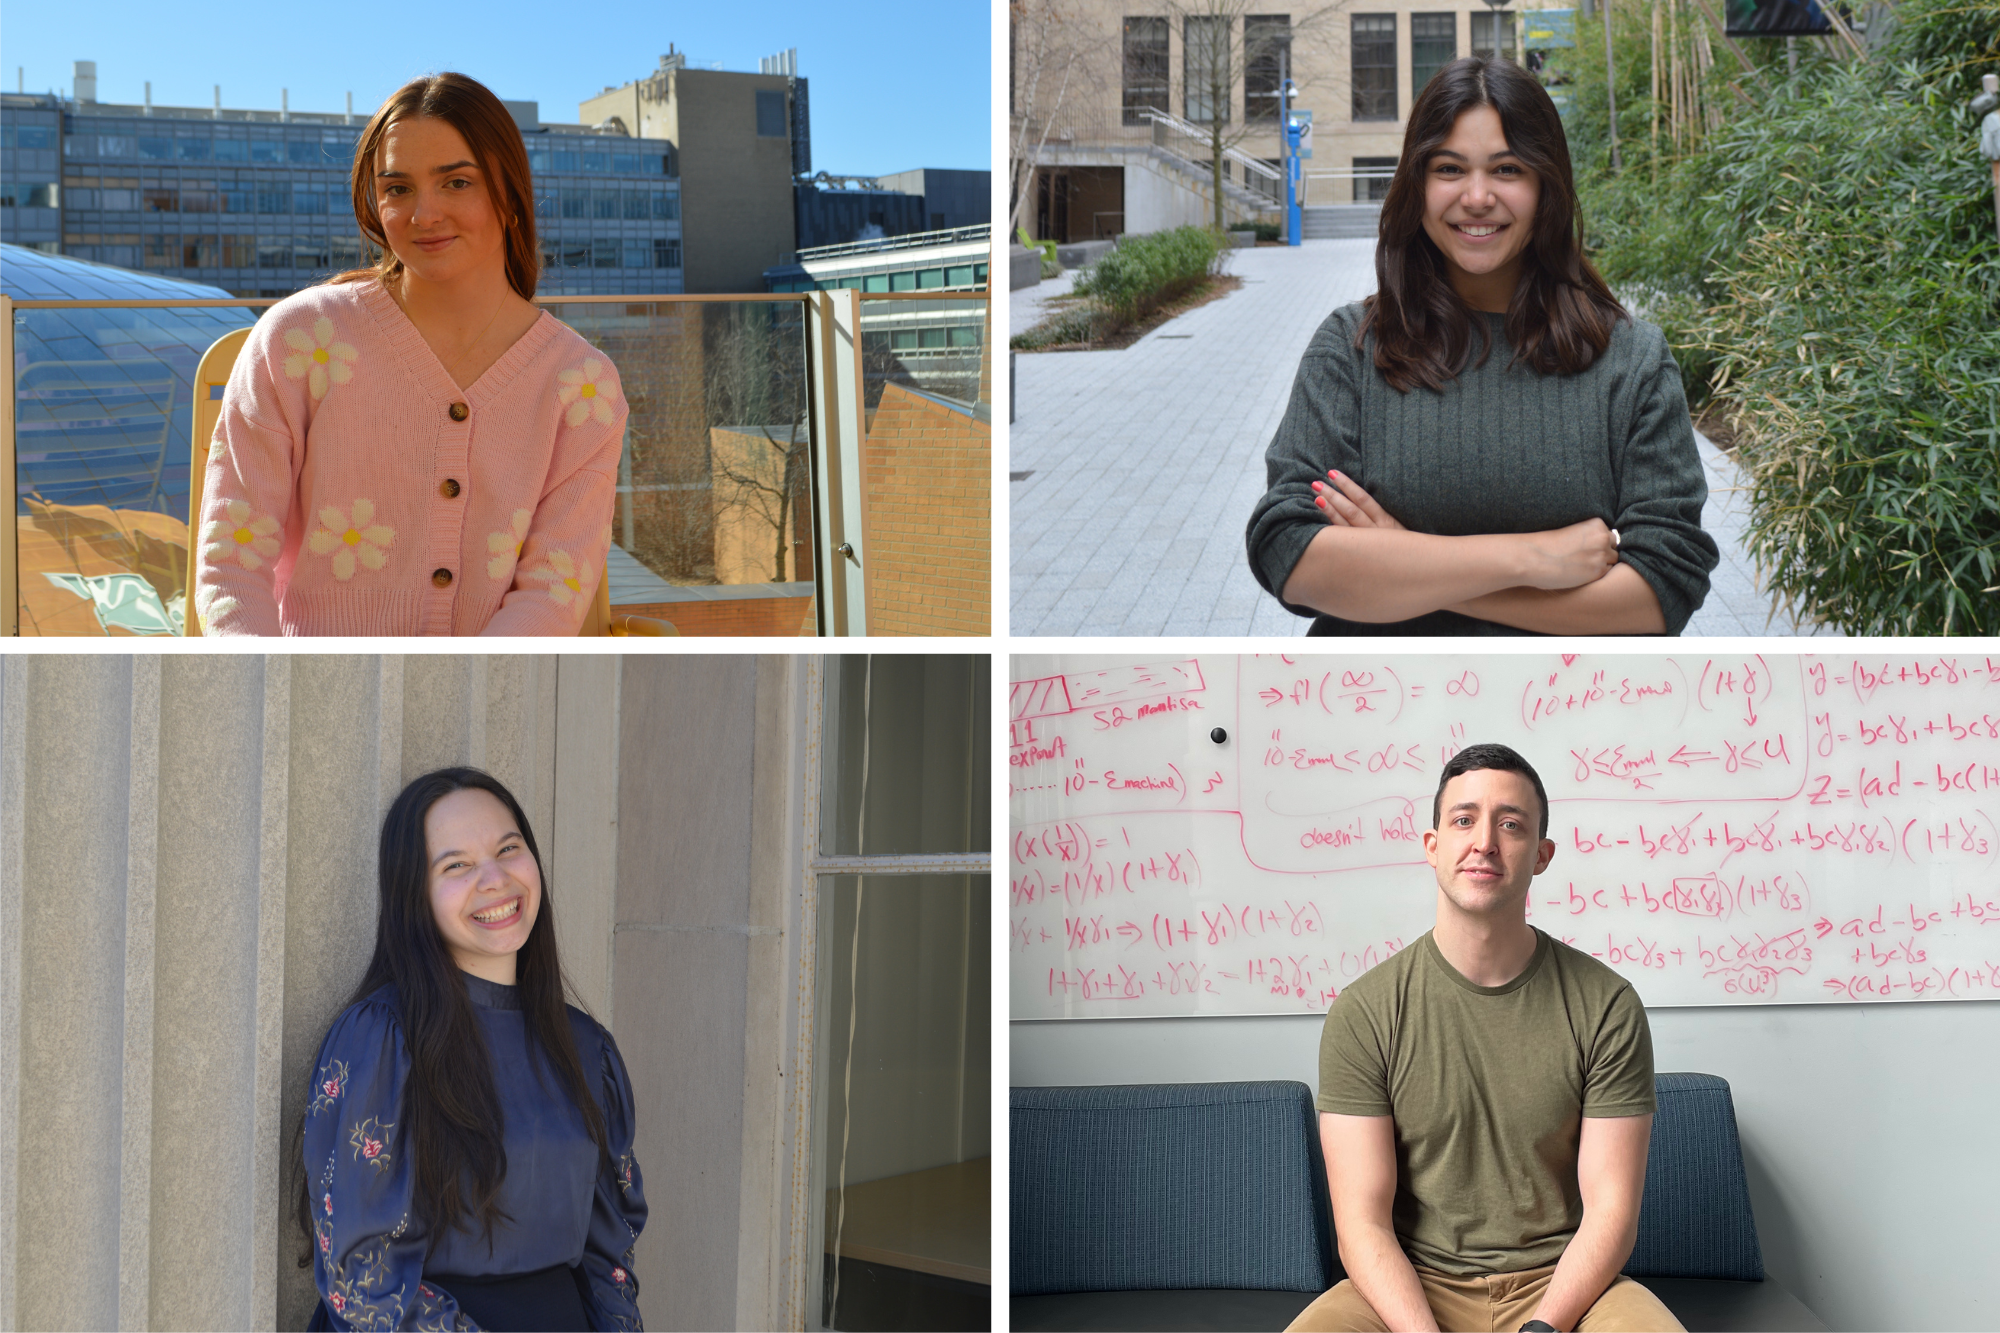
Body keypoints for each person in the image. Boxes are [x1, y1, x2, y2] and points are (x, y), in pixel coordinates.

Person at [1245, 58, 1719, 636]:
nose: (1476, 196)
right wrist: (1529, 560)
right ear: (1416, 185)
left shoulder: (1630, 361)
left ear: (1547, 185)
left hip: (1578, 715)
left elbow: (1662, 588)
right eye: (1449, 168)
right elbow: (1290, 553)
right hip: (1377, 709)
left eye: (1507, 169)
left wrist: (1404, 560)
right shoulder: (1352, 350)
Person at [195, 73, 623, 635]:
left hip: (489, 709)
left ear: (511, 196)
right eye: (397, 189)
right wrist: (280, 705)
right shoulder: (298, 342)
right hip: (306, 702)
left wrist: (463, 712)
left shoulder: (581, 383)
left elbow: (552, 590)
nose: (424, 214)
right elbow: (231, 566)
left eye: (457, 183)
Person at [1288, 744, 1682, 1333]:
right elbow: (1361, 1223)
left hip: (1564, 1286)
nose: (1485, 842)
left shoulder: (1607, 1005)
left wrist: (1545, 1328)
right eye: (1464, 820)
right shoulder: (1364, 1011)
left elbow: (1611, 1213)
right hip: (1410, 1287)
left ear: (1542, 855)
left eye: (1512, 825)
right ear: (1433, 846)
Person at [293, 768, 645, 1330]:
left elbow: (610, 1254)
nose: (495, 878)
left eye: (509, 849)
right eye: (456, 865)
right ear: (415, 895)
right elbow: (363, 1274)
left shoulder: (586, 1049)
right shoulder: (382, 1039)